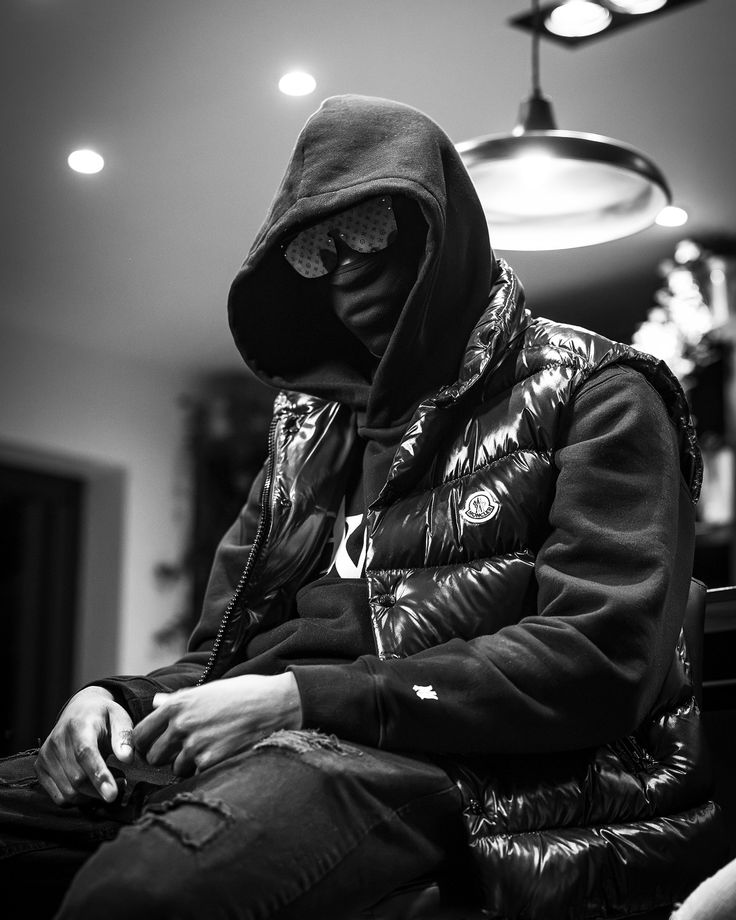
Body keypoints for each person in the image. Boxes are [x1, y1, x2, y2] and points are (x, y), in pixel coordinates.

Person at [0, 94, 728, 919]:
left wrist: (306, 698)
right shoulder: (306, 435)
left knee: (141, 895)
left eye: (371, 229)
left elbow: (600, 659)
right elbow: (222, 658)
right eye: (315, 250)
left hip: (468, 771)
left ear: (443, 226)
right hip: (282, 747)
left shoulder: (599, 391)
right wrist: (121, 701)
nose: (345, 269)